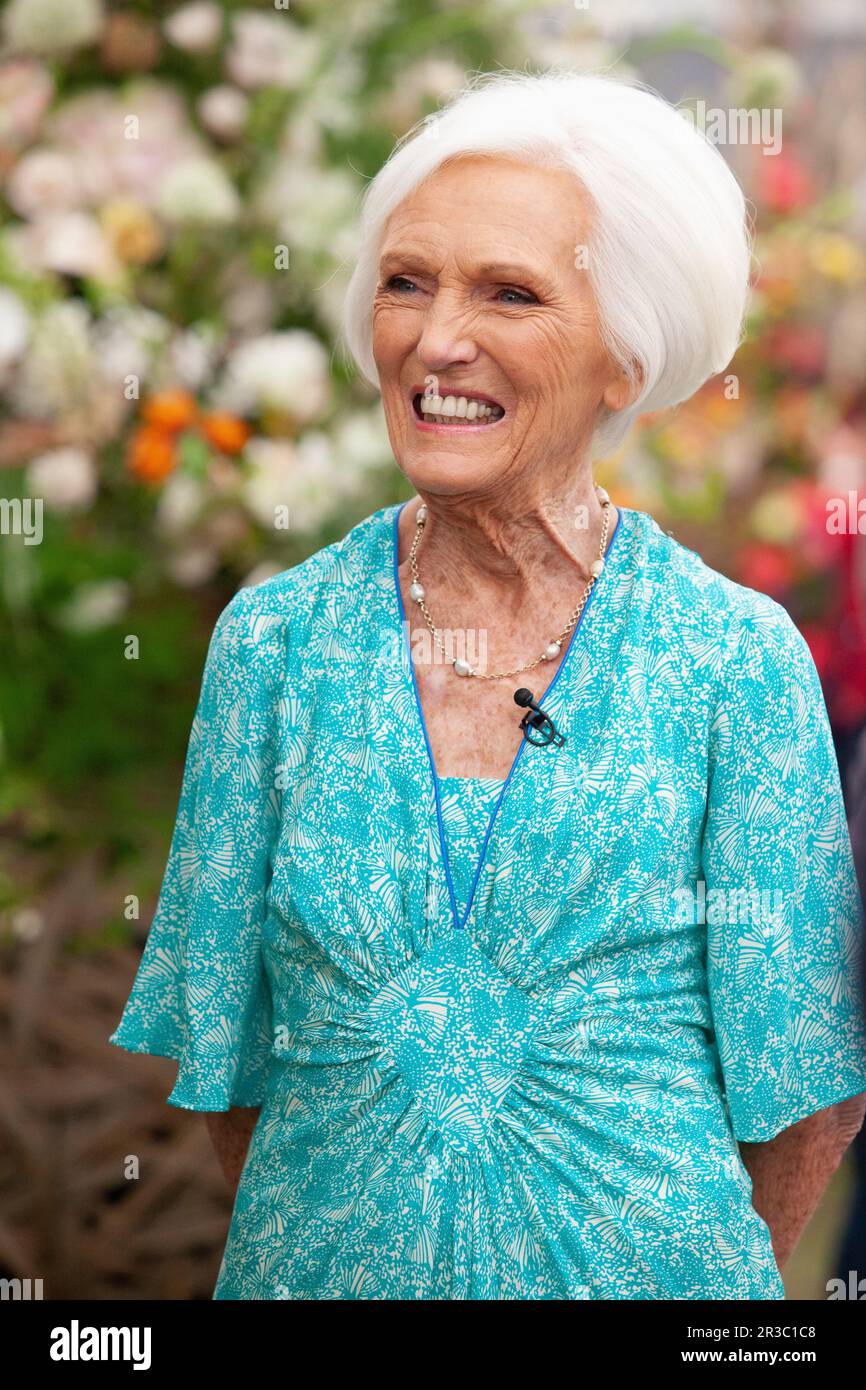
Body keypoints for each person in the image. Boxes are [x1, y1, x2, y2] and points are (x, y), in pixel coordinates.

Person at [109, 70, 866, 1300]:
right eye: (406, 281)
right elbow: (232, 1066)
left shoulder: (735, 662)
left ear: (625, 358)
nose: (435, 337)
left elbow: (805, 1099)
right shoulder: (274, 646)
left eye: (508, 293)